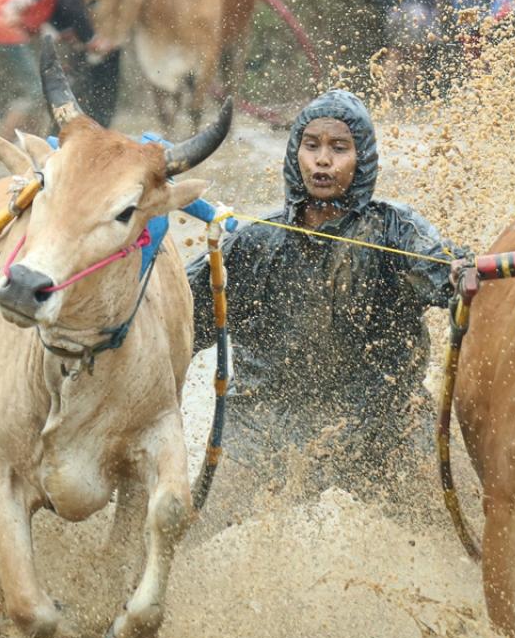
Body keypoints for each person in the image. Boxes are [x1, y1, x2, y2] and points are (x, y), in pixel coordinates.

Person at [185, 90, 470, 491]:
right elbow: (178, 318)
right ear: (295, 154)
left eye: (339, 148)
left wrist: (459, 274)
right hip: (260, 434)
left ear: (363, 158)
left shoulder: (396, 229)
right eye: (311, 145)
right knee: (201, 521)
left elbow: (445, 273)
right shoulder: (254, 242)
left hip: (385, 430)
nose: (323, 160)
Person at [0, 0, 121, 138]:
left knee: (39, 92)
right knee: (36, 91)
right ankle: (6, 141)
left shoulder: (48, 5)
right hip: (4, 28)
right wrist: (91, 40)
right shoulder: (67, 1)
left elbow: (47, 23)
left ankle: (31, 139)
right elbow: (71, 9)